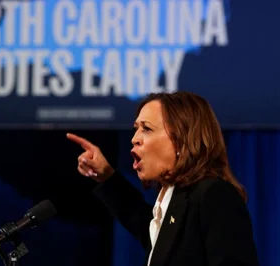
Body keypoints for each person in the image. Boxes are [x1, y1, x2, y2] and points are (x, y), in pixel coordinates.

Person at [66, 91, 259, 266]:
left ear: (181, 140)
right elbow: (142, 221)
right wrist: (107, 176)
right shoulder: (171, 202)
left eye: (147, 129)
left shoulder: (214, 195)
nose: (134, 138)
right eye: (136, 128)